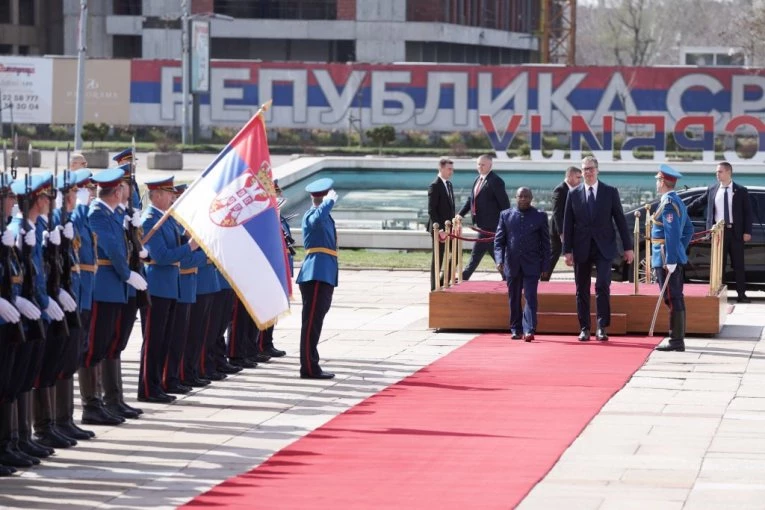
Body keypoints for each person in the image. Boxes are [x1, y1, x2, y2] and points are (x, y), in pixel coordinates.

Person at [139, 176, 198, 403]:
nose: (173, 197)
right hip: (157, 286)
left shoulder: (168, 220)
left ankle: (158, 384)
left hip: (170, 286)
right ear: (156, 195)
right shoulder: (150, 220)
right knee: (153, 340)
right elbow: (161, 256)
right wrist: (189, 247)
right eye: (168, 193)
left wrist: (190, 242)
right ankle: (147, 388)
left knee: (164, 339)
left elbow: (179, 246)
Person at [563, 156, 634, 342]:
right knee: (582, 289)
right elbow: (567, 224)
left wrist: (628, 247)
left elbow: (620, 220)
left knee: (603, 285)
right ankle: (585, 328)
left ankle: (602, 327)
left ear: (597, 170)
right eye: (584, 169)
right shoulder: (573, 193)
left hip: (604, 247)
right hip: (581, 248)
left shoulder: (609, 192)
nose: (587, 172)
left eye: (591, 168)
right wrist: (566, 251)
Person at [687, 161, 753, 303]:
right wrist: (681, 210)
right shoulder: (712, 189)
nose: (717, 174)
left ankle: (742, 295)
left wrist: (747, 231)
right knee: (718, 265)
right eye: (716, 172)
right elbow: (699, 202)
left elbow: (748, 213)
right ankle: (718, 294)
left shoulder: (741, 190)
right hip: (718, 233)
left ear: (729, 172)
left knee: (738, 265)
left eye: (720, 171)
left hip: (735, 233)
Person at [494, 187, 551, 341]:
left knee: (530, 297)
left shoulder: (540, 216)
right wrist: (499, 260)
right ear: (516, 198)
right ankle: (515, 328)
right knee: (514, 297)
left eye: (527, 196)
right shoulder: (506, 215)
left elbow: (546, 244)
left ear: (531, 198)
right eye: (521, 196)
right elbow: (499, 242)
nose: (524, 199)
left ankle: (529, 329)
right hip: (512, 264)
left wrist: (546, 266)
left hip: (532, 264)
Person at [296, 178, 338, 380]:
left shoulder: (323, 215)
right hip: (316, 274)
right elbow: (316, 220)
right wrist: (328, 203)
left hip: (324, 274)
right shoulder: (313, 214)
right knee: (311, 323)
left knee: (315, 323)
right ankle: (308, 367)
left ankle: (312, 363)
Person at [651, 165, 695, 352]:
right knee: (675, 297)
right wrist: (678, 250)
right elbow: (689, 230)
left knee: (672, 298)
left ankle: (676, 340)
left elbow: (672, 232)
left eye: (658, 180)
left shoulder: (668, 202)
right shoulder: (676, 200)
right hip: (669, 255)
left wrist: (671, 258)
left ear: (663, 182)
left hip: (664, 257)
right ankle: (677, 339)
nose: (656, 184)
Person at [457, 154, 510, 281]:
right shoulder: (478, 179)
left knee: (478, 253)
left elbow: (505, 204)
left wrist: (506, 225)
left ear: (490, 165)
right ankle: (507, 277)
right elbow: (471, 199)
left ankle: (465, 276)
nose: (480, 167)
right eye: (478, 164)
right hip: (482, 224)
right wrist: (460, 214)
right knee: (492, 252)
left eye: (483, 164)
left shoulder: (496, 181)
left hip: (492, 225)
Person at [543, 166, 582, 281]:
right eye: (578, 177)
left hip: (573, 230)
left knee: (577, 257)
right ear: (569, 176)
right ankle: (543, 281)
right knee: (552, 256)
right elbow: (557, 213)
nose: (580, 180)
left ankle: (580, 283)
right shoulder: (560, 189)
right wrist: (562, 233)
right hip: (557, 232)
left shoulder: (577, 190)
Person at [427, 157, 456, 290]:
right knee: (438, 258)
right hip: (439, 229)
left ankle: (444, 280)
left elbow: (451, 207)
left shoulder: (448, 184)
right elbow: (432, 210)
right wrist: (439, 229)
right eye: (449, 169)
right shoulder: (435, 186)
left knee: (454, 255)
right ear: (441, 168)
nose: (451, 171)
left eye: (452, 169)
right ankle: (434, 287)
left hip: (450, 228)